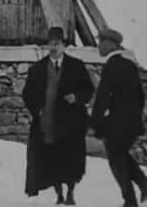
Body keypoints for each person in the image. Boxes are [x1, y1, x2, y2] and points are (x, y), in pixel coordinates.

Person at [22, 26, 94, 204]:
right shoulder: (37, 69)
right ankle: (59, 195)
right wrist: (36, 109)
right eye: (50, 44)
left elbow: (88, 89)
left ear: (64, 46)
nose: (53, 47)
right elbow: (27, 94)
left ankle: (70, 193)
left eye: (57, 44)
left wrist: (76, 97)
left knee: (69, 159)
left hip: (70, 124)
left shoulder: (76, 66)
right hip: (47, 124)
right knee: (51, 159)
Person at [90, 28, 147, 207]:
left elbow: (102, 98)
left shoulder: (112, 66)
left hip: (117, 123)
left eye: (101, 42)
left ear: (110, 44)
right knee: (121, 156)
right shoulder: (129, 65)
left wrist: (94, 123)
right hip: (131, 123)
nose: (98, 45)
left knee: (116, 161)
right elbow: (140, 95)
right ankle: (144, 186)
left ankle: (129, 201)